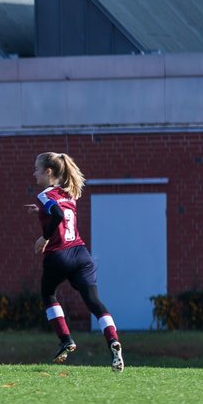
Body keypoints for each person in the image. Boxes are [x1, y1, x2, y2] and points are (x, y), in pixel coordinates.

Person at [28, 152, 124, 372]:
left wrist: (44, 237)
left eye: (37, 168)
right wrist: (39, 212)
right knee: (94, 302)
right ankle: (113, 341)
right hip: (81, 254)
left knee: (48, 294)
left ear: (48, 171)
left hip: (58, 255)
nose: (34, 173)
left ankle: (65, 339)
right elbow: (62, 212)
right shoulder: (70, 194)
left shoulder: (45, 195)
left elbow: (59, 216)